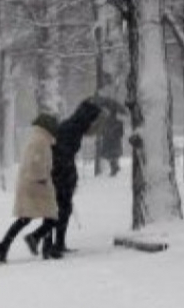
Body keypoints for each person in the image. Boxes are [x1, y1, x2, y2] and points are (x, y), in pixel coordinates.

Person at [26, 96, 123, 258]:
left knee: (60, 208)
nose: (96, 128)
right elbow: (61, 152)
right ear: (88, 119)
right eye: (96, 122)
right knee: (61, 209)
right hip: (60, 174)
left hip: (58, 172)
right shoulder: (72, 128)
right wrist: (67, 170)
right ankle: (44, 241)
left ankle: (52, 244)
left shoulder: (71, 126)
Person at [0, 114, 60, 263]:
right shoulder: (41, 141)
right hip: (36, 185)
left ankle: (3, 247)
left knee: (26, 219)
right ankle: (35, 239)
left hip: (30, 184)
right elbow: (35, 163)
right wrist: (43, 178)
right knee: (52, 217)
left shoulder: (38, 138)